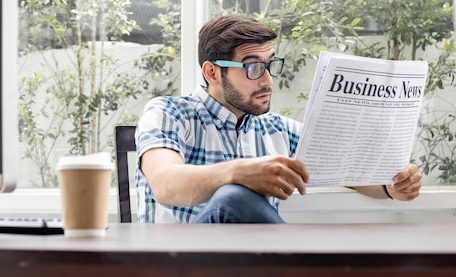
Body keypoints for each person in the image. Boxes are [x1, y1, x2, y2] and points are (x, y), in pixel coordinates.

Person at [134, 14, 422, 223]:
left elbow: (352, 172)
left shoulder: (277, 130)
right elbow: (165, 184)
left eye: (270, 65)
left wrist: (392, 186)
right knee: (233, 196)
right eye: (253, 68)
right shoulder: (169, 112)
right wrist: (238, 172)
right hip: (183, 270)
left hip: (255, 272)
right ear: (212, 73)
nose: (268, 80)